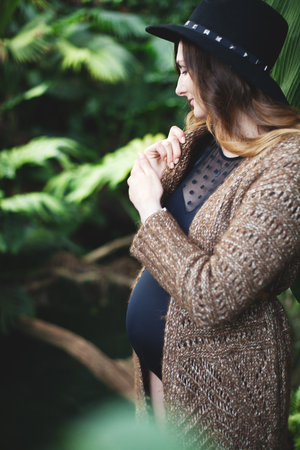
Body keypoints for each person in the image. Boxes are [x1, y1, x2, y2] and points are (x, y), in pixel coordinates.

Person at [126, 0, 300, 448]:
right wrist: (160, 178)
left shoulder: (287, 166)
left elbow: (213, 296)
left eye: (186, 70)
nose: (180, 86)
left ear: (219, 69)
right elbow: (174, 246)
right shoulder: (204, 139)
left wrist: (149, 209)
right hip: (162, 371)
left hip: (226, 388)